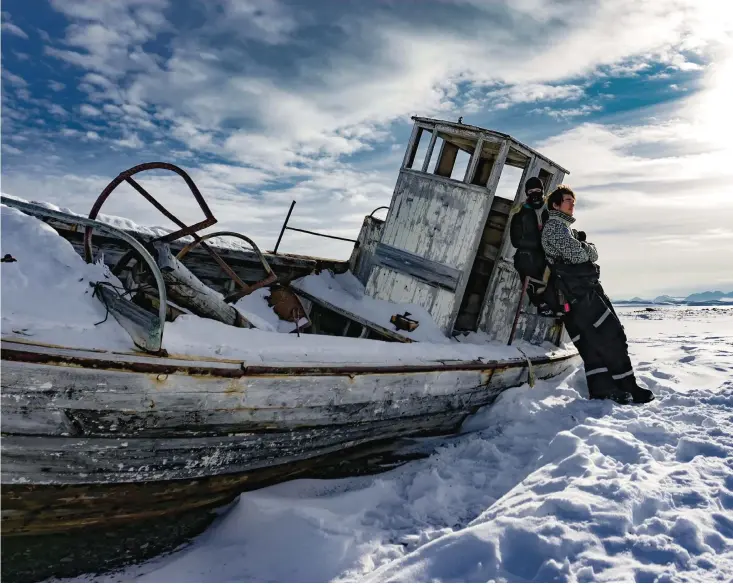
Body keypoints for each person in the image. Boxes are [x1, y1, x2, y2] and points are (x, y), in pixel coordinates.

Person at [541, 185, 654, 405]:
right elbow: (579, 255)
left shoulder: (565, 229)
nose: (572, 204)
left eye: (573, 201)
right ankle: (621, 386)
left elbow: (583, 253)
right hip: (578, 294)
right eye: (567, 200)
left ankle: (612, 386)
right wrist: (587, 247)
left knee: (595, 340)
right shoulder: (554, 228)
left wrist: (584, 248)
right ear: (555, 204)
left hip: (583, 292)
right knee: (609, 334)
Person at [509, 177, 554, 316]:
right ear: (527, 193)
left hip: (550, 253)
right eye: (531, 190)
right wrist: (537, 243)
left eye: (538, 190)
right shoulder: (520, 214)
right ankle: (540, 302)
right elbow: (516, 241)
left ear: (542, 190)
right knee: (524, 261)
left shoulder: (550, 210)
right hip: (530, 255)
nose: (535, 193)